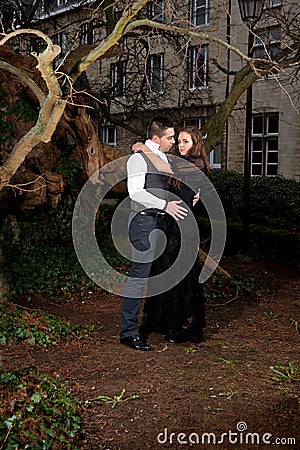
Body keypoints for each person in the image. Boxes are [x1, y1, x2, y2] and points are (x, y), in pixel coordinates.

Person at [134, 126, 210, 344]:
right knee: (166, 271)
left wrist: (143, 148)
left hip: (185, 227)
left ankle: (186, 326)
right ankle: (166, 321)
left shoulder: (197, 163)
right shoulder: (183, 162)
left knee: (183, 276)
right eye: (179, 142)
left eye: (186, 141)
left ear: (196, 143)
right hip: (170, 225)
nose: (181, 145)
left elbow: (164, 167)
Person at [120, 116, 188, 351]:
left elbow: (166, 174)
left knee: (159, 275)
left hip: (160, 222)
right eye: (170, 137)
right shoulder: (137, 159)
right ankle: (128, 332)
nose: (173, 141)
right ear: (157, 138)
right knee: (139, 277)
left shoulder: (158, 157)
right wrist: (164, 205)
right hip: (143, 222)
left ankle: (157, 322)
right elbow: (135, 193)